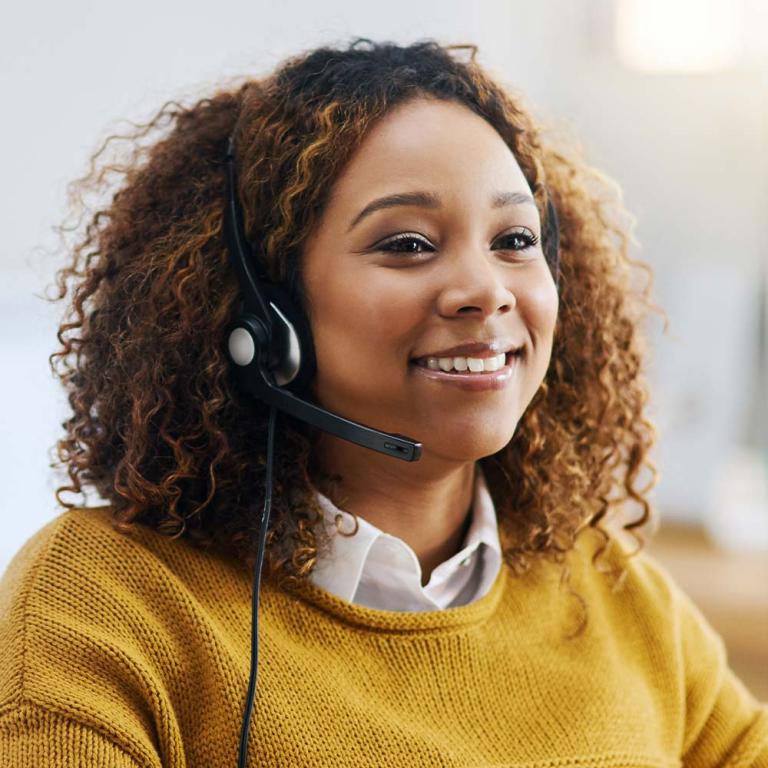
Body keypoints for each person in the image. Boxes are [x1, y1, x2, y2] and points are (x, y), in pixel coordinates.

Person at [1, 37, 766, 768]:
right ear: (263, 318)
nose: (485, 290)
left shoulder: (612, 587)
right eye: (407, 244)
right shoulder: (100, 602)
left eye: (515, 240)